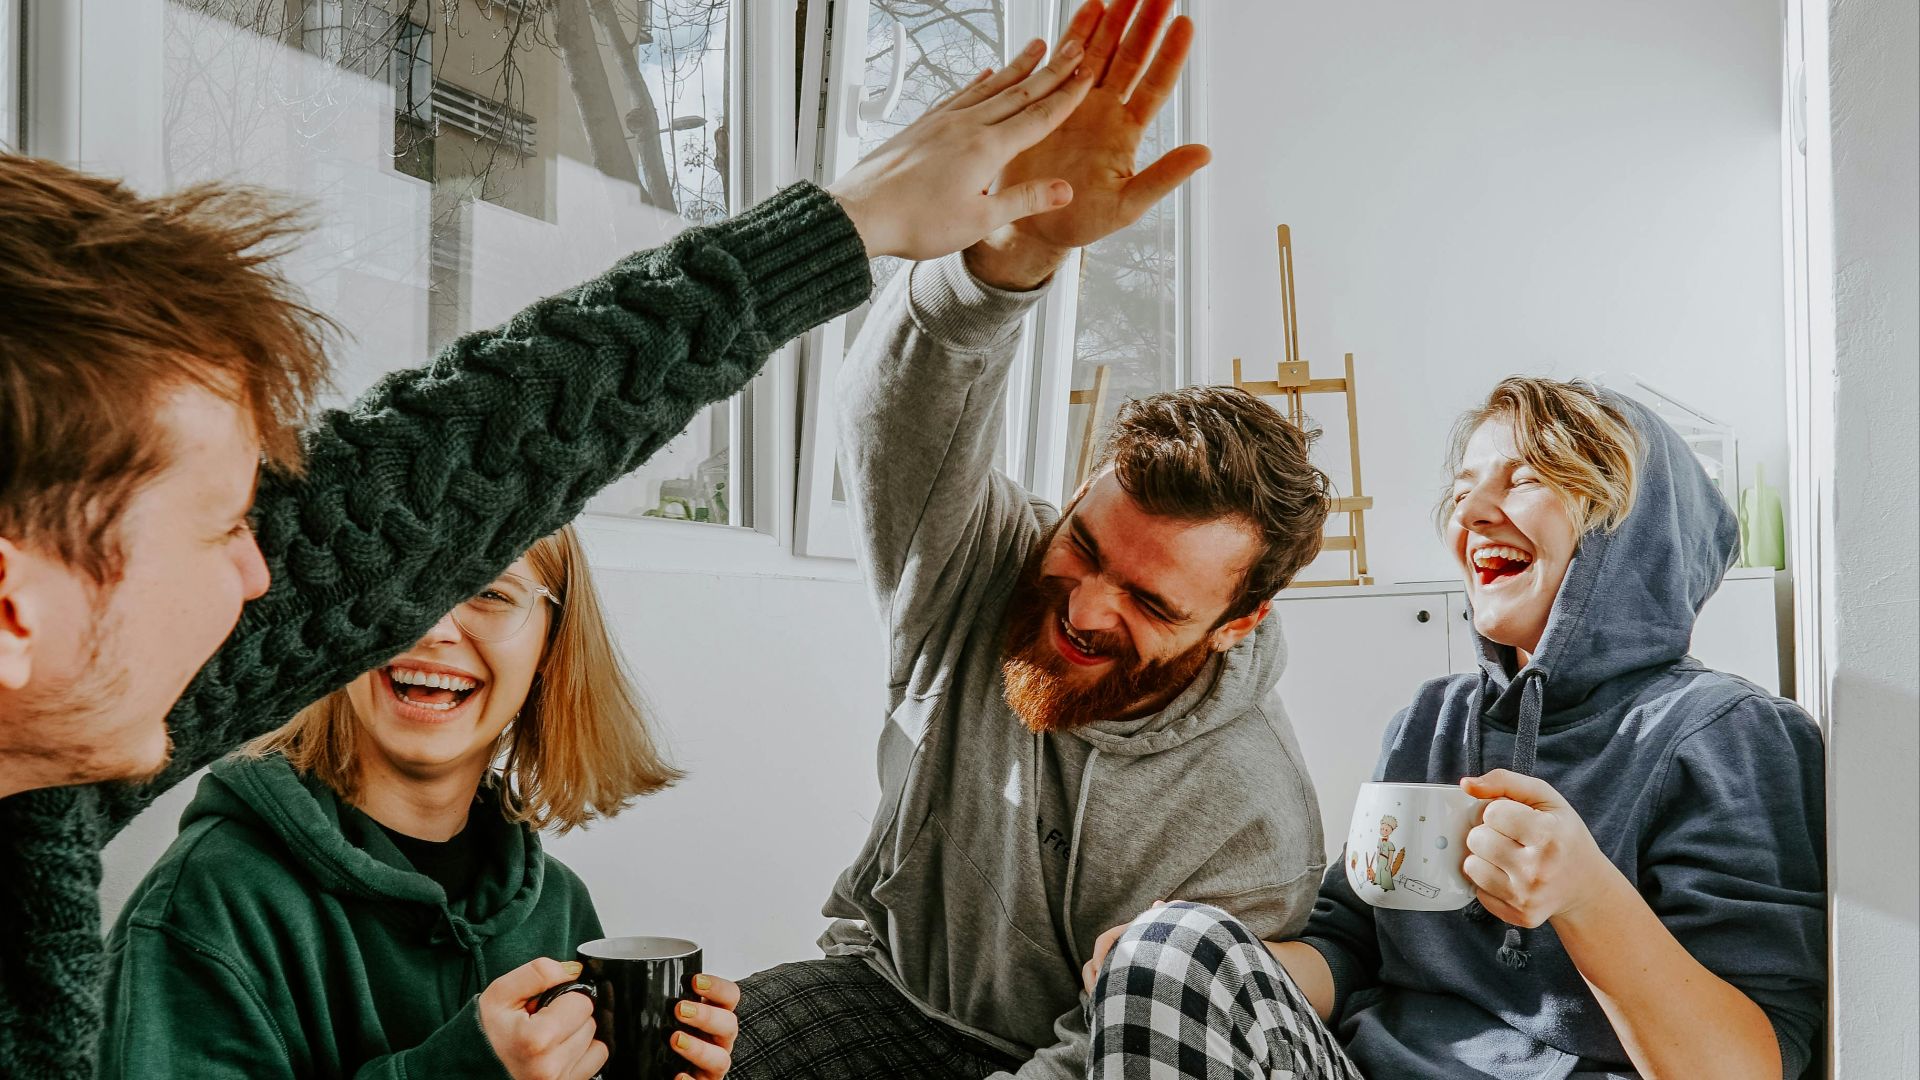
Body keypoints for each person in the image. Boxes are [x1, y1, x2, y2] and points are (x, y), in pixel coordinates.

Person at [0, 39, 1096, 1075]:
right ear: (15, 610)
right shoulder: (201, 889)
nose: (262, 577)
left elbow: (445, 464)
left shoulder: (40, 788)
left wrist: (851, 223)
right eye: (224, 525)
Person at [728, 2, 1335, 1077]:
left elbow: (1127, 1052)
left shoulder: (1251, 815)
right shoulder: (981, 567)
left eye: (1153, 604)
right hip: (886, 994)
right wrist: (1013, 256)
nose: (1089, 607)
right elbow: (896, 412)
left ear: (1238, 625)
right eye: (1089, 547)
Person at [1083, 378, 1827, 1080]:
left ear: (1629, 528)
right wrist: (1187, 960)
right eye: (1465, 488)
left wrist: (1587, 896)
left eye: (1526, 478)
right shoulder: (1432, 720)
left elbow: (1754, 1061)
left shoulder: (1728, 735)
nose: (1470, 514)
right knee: (1170, 947)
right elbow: (1349, 948)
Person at [97, 525, 737, 1079]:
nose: (433, 629)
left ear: (549, 648)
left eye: (489, 593)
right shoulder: (207, 902)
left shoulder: (558, 906)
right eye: (404, 582)